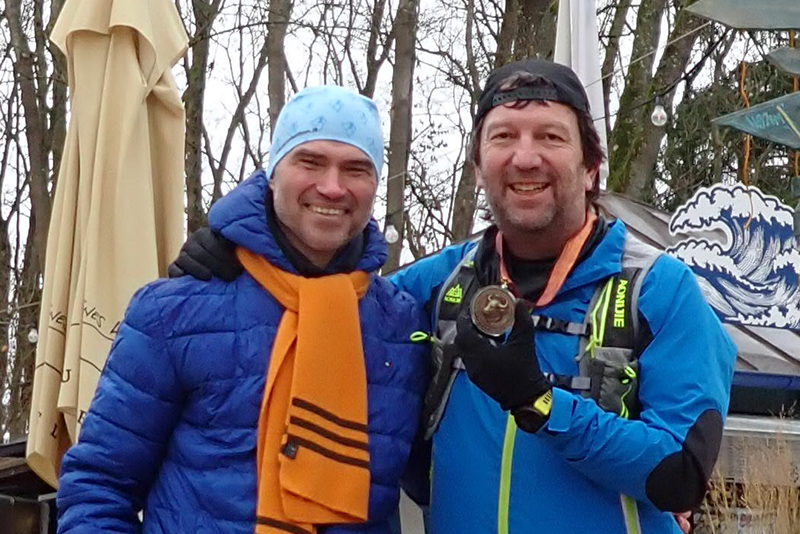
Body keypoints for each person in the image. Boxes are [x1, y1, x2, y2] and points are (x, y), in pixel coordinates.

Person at [171, 60, 736, 534]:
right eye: (503, 137)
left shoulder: (659, 291)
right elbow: (313, 304)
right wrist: (238, 244)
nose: (525, 157)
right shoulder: (433, 286)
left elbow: (681, 476)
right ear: (477, 169)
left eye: (550, 136)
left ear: (590, 168)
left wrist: (540, 403)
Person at [56, 85, 429, 534]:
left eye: (356, 169)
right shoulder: (173, 313)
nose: (332, 187)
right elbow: (99, 485)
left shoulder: (401, 327)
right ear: (271, 174)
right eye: (309, 162)